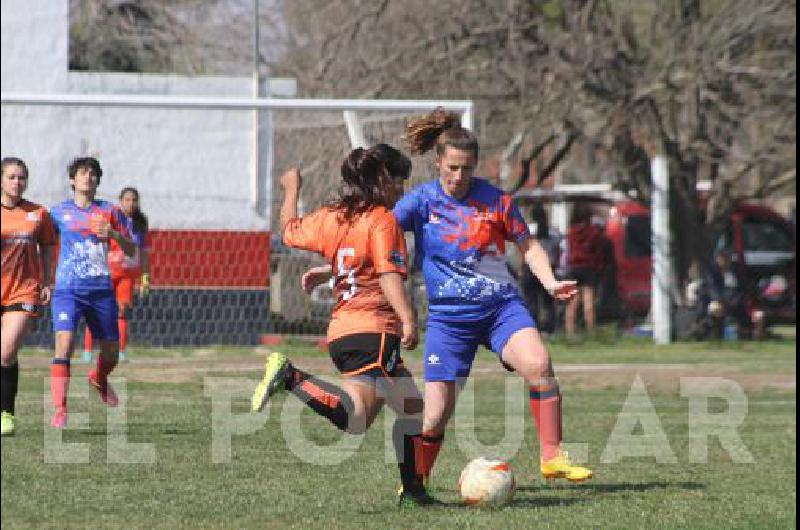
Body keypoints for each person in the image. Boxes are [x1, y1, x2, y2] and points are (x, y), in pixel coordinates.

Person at [304, 109, 593, 484]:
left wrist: (551, 282)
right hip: (449, 320)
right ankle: (417, 488)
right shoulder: (421, 202)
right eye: (452, 168)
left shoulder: (496, 201)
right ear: (438, 162)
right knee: (434, 416)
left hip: (500, 309)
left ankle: (553, 457)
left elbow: (529, 245)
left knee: (539, 364)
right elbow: (373, 238)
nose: (459, 177)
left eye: (467, 169)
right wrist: (333, 269)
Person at [250, 145, 437, 506]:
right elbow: (387, 273)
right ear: (382, 179)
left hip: (344, 329)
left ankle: (414, 492)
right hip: (374, 330)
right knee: (355, 419)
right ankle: (290, 376)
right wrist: (409, 317)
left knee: (411, 406)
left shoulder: (334, 216)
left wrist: (292, 190)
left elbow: (289, 231)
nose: (401, 189)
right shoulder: (383, 219)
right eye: (398, 181)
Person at [48, 157, 136, 428]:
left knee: (111, 352)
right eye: (83, 173)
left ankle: (98, 377)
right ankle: (60, 410)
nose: (88, 177)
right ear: (72, 180)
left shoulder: (110, 211)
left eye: (93, 174)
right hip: (67, 290)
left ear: (98, 180)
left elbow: (131, 249)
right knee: (64, 343)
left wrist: (113, 235)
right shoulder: (57, 213)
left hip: (100, 291)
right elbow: (43, 244)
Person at [1, 157, 56, 436]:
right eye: (11, 177)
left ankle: (6, 414)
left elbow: (47, 246)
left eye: (22, 177)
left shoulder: (38, 213)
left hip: (23, 289)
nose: (17, 182)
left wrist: (47, 280)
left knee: (6, 351)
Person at [83, 186, 150, 362]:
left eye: (134, 200)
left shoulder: (140, 225)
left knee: (121, 311)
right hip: (107, 271)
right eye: (127, 199)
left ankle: (121, 351)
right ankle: (88, 351)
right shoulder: (112, 216)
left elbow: (143, 252)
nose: (131, 203)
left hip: (127, 274)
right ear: (120, 201)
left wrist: (144, 277)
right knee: (97, 310)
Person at [563, 202, 605, 338]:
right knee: (589, 301)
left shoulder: (571, 232)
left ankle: (569, 331)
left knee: (572, 302)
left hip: (574, 267)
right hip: (588, 267)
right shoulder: (593, 231)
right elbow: (598, 249)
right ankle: (591, 331)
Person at [519, 203, 561, 335]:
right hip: (548, 268)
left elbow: (524, 250)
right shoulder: (553, 231)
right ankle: (549, 328)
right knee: (548, 302)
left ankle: (533, 327)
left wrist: (521, 268)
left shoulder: (529, 229)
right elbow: (558, 250)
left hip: (530, 269)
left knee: (531, 301)